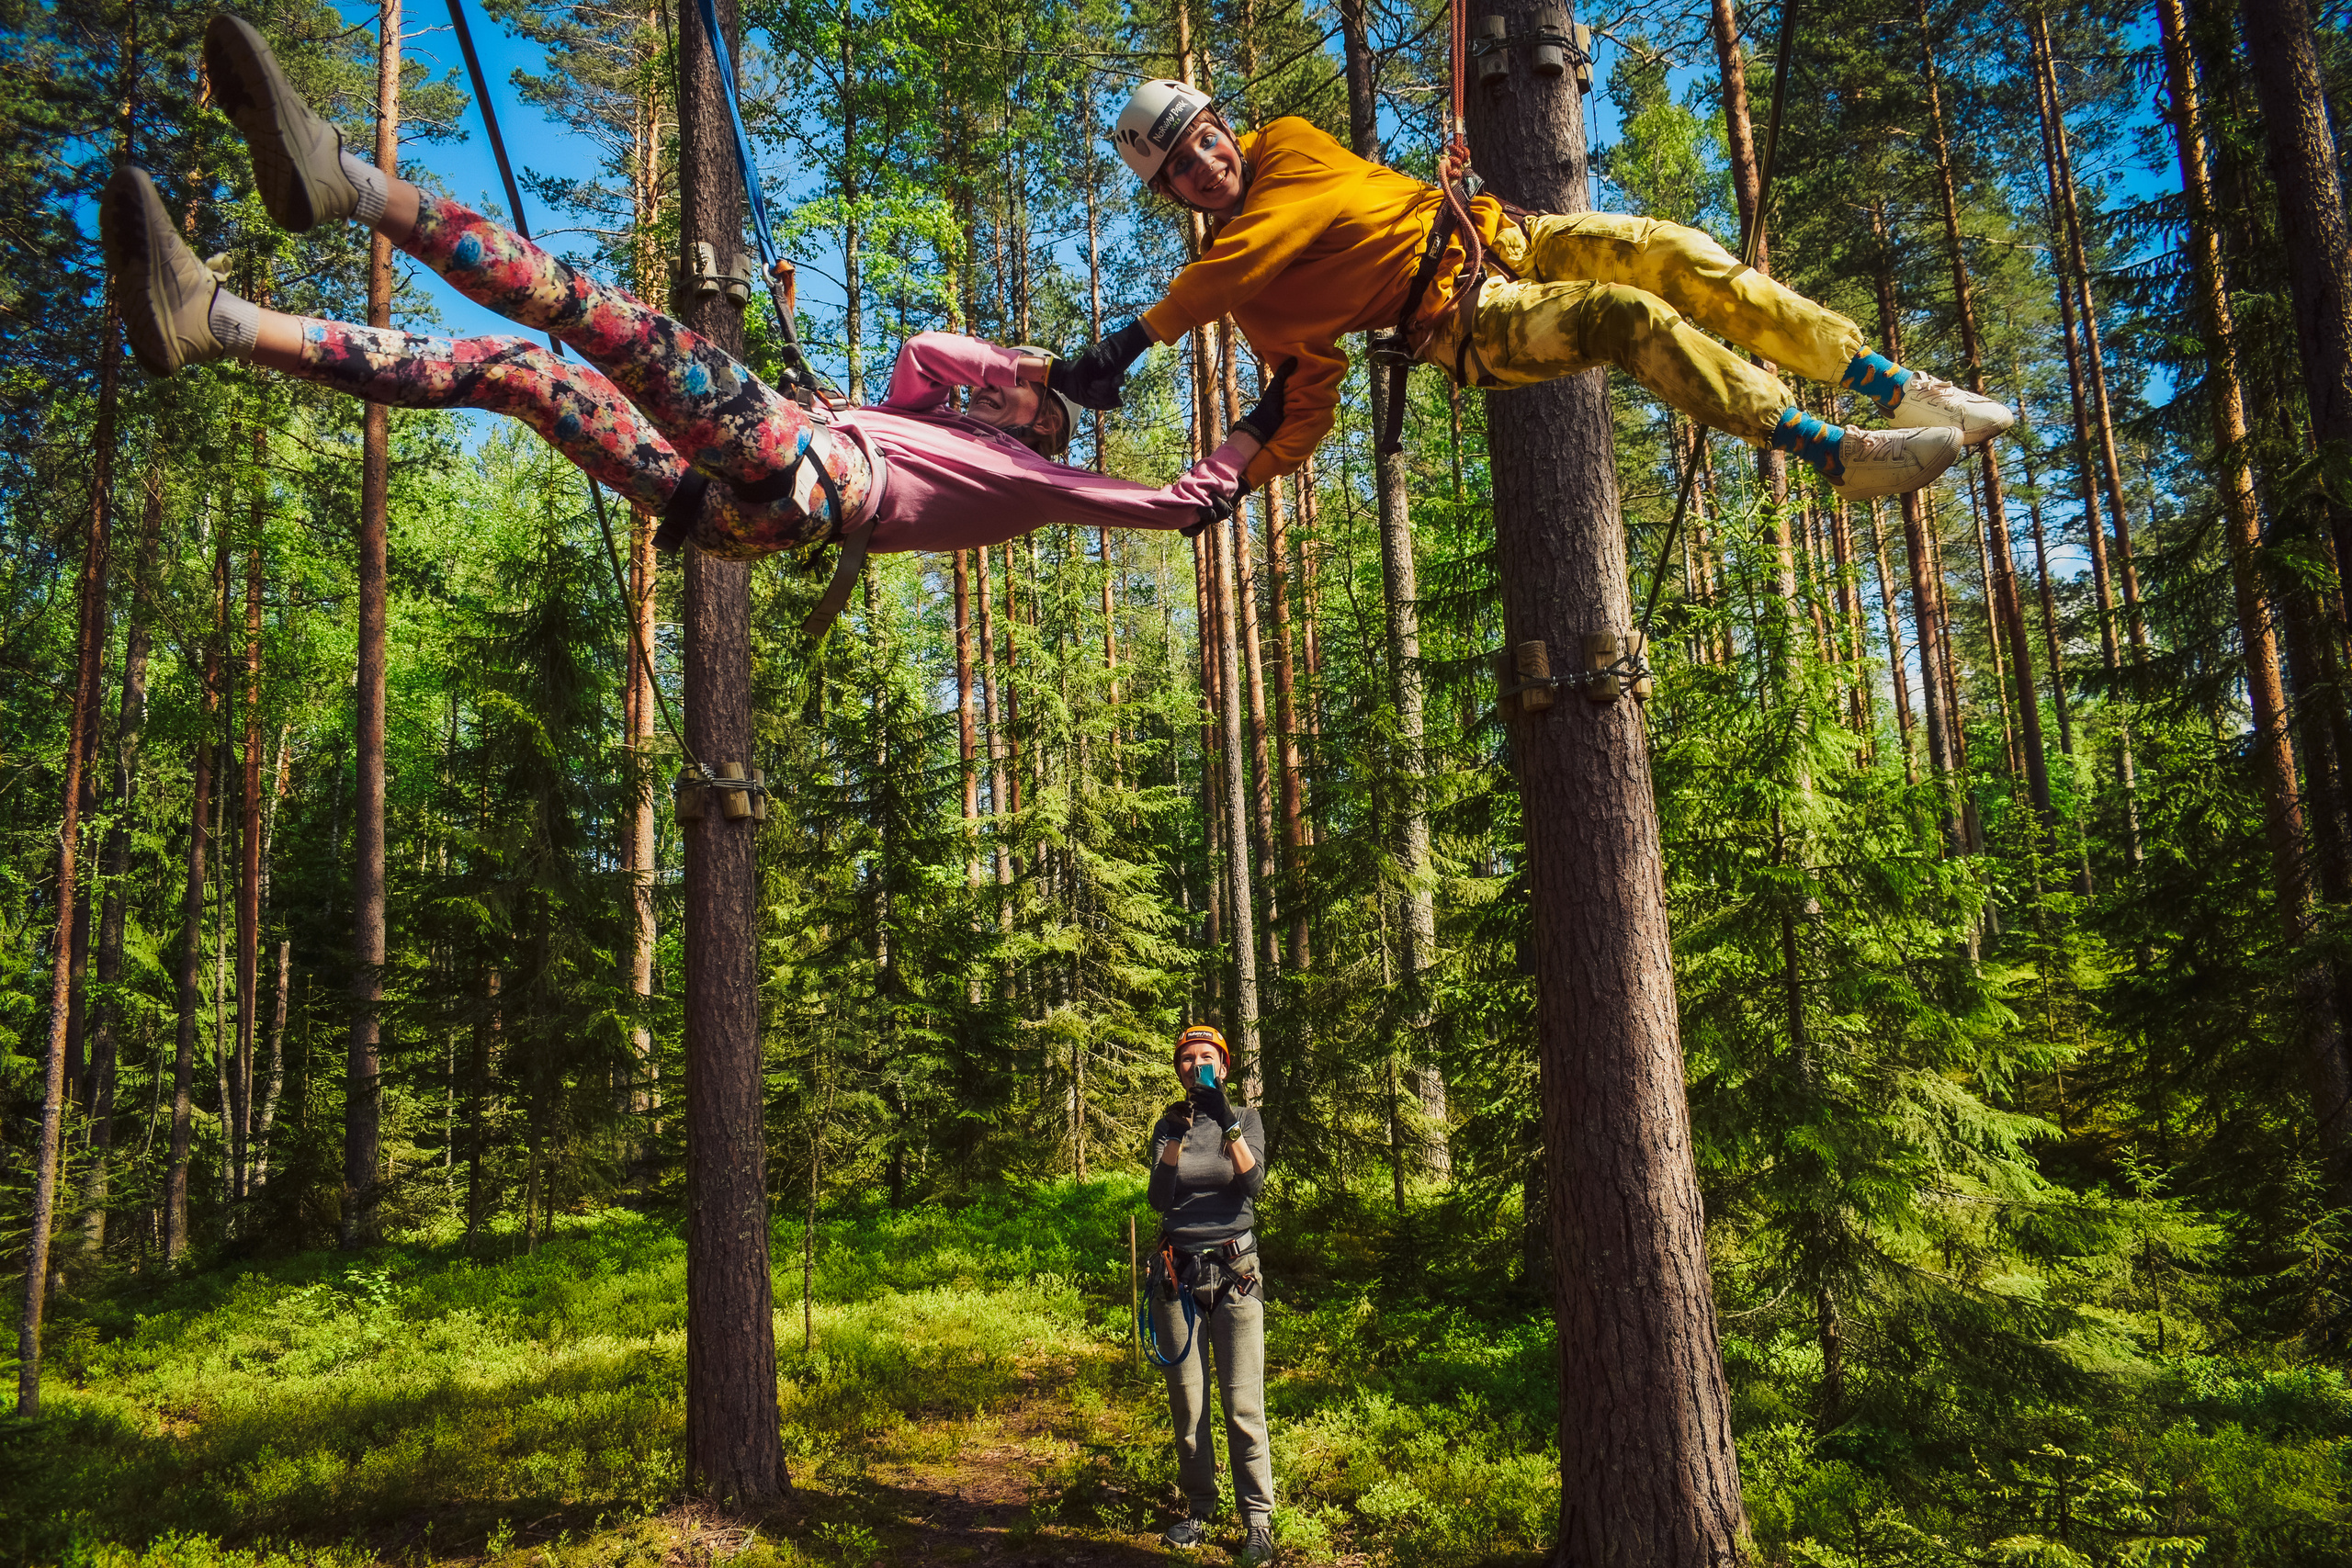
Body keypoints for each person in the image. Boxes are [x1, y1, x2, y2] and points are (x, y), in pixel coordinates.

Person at [102, 17, 1287, 567]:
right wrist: (1021, 365)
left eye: (1034, 419)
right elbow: (927, 353)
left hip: (787, 479)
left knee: (593, 313)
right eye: (1021, 409)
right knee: (517, 375)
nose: (1017, 415)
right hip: (725, 501)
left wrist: (1248, 430)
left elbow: (1180, 509)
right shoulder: (923, 417)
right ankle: (218, 322)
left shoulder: (1046, 485)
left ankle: (348, 186)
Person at [1058, 80, 2017, 503]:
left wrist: (1129, 343)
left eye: (1206, 142)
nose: (1206, 166)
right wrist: (1231, 481)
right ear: (1173, 196)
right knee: (1623, 317)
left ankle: (1887, 381)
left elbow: (1262, 240)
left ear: (1228, 127)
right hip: (1463, 321)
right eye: (1183, 169)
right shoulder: (1247, 295)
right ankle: (1829, 452)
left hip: (1504, 233)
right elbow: (1298, 400)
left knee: (1672, 251)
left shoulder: (1293, 146)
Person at [1146, 1024, 1273, 1563]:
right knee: (1188, 1401)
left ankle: (1258, 1522)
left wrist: (1228, 1122)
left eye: (1206, 1058)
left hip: (1236, 1275)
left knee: (1243, 1403)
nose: (1195, 1066)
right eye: (1186, 1059)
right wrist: (1175, 1137)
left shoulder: (1245, 1118)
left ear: (1223, 1065)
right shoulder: (1167, 1123)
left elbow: (1254, 1184)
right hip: (1178, 1277)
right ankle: (1200, 1507)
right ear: (1178, 1068)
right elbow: (1159, 1196)